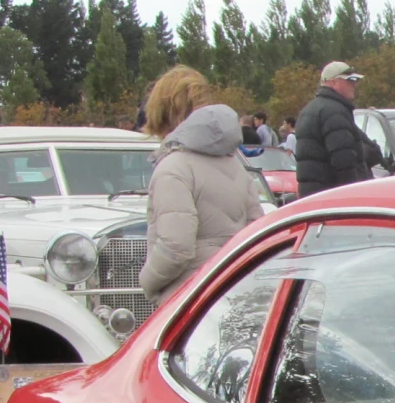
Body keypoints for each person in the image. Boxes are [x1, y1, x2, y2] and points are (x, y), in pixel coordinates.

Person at [138, 66, 266, 301]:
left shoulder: (173, 168)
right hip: (231, 290)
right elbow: (255, 232)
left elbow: (175, 247)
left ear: (161, 110)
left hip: (188, 297)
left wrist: (147, 283)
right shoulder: (235, 164)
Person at [292, 60, 375, 195]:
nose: (354, 84)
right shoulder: (335, 112)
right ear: (334, 82)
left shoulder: (309, 109)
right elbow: (343, 160)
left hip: (313, 195)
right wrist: (353, 194)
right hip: (332, 195)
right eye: (350, 80)